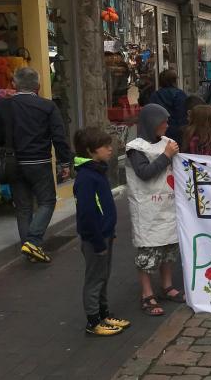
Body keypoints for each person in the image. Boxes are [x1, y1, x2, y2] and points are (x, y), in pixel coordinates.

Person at [0, 67, 72, 263]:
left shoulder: (2, 106)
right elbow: (58, 137)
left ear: (14, 85)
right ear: (38, 86)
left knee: (23, 207)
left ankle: (29, 251)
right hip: (39, 162)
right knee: (47, 201)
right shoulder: (47, 106)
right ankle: (33, 242)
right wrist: (65, 161)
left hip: (13, 164)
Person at [72, 127, 131, 336]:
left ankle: (104, 314)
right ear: (90, 151)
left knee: (103, 276)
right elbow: (87, 214)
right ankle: (93, 321)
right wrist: (98, 241)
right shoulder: (87, 178)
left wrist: (109, 231)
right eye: (104, 146)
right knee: (95, 278)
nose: (109, 149)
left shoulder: (97, 172)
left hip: (104, 235)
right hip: (95, 238)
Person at [125, 104, 182, 316]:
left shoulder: (168, 143)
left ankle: (166, 285)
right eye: (162, 122)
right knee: (148, 252)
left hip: (168, 206)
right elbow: (144, 172)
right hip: (148, 209)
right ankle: (147, 294)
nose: (166, 126)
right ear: (151, 123)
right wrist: (166, 156)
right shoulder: (136, 148)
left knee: (168, 249)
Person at [149, 69, 187, 145]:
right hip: (176, 132)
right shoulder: (179, 94)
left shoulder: (155, 95)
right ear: (174, 80)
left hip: (159, 131)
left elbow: (151, 114)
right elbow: (182, 115)